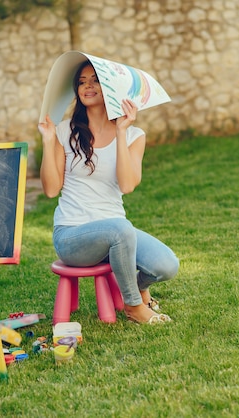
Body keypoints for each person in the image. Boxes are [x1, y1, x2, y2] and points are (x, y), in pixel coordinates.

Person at [38, 60, 179, 324]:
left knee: (166, 264)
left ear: (111, 89)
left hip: (116, 234)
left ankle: (136, 286)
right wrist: (48, 142)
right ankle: (134, 306)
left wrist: (121, 131)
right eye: (82, 81)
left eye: (95, 80)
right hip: (72, 235)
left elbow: (127, 185)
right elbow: (50, 189)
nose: (87, 86)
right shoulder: (64, 130)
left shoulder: (135, 135)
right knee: (121, 228)